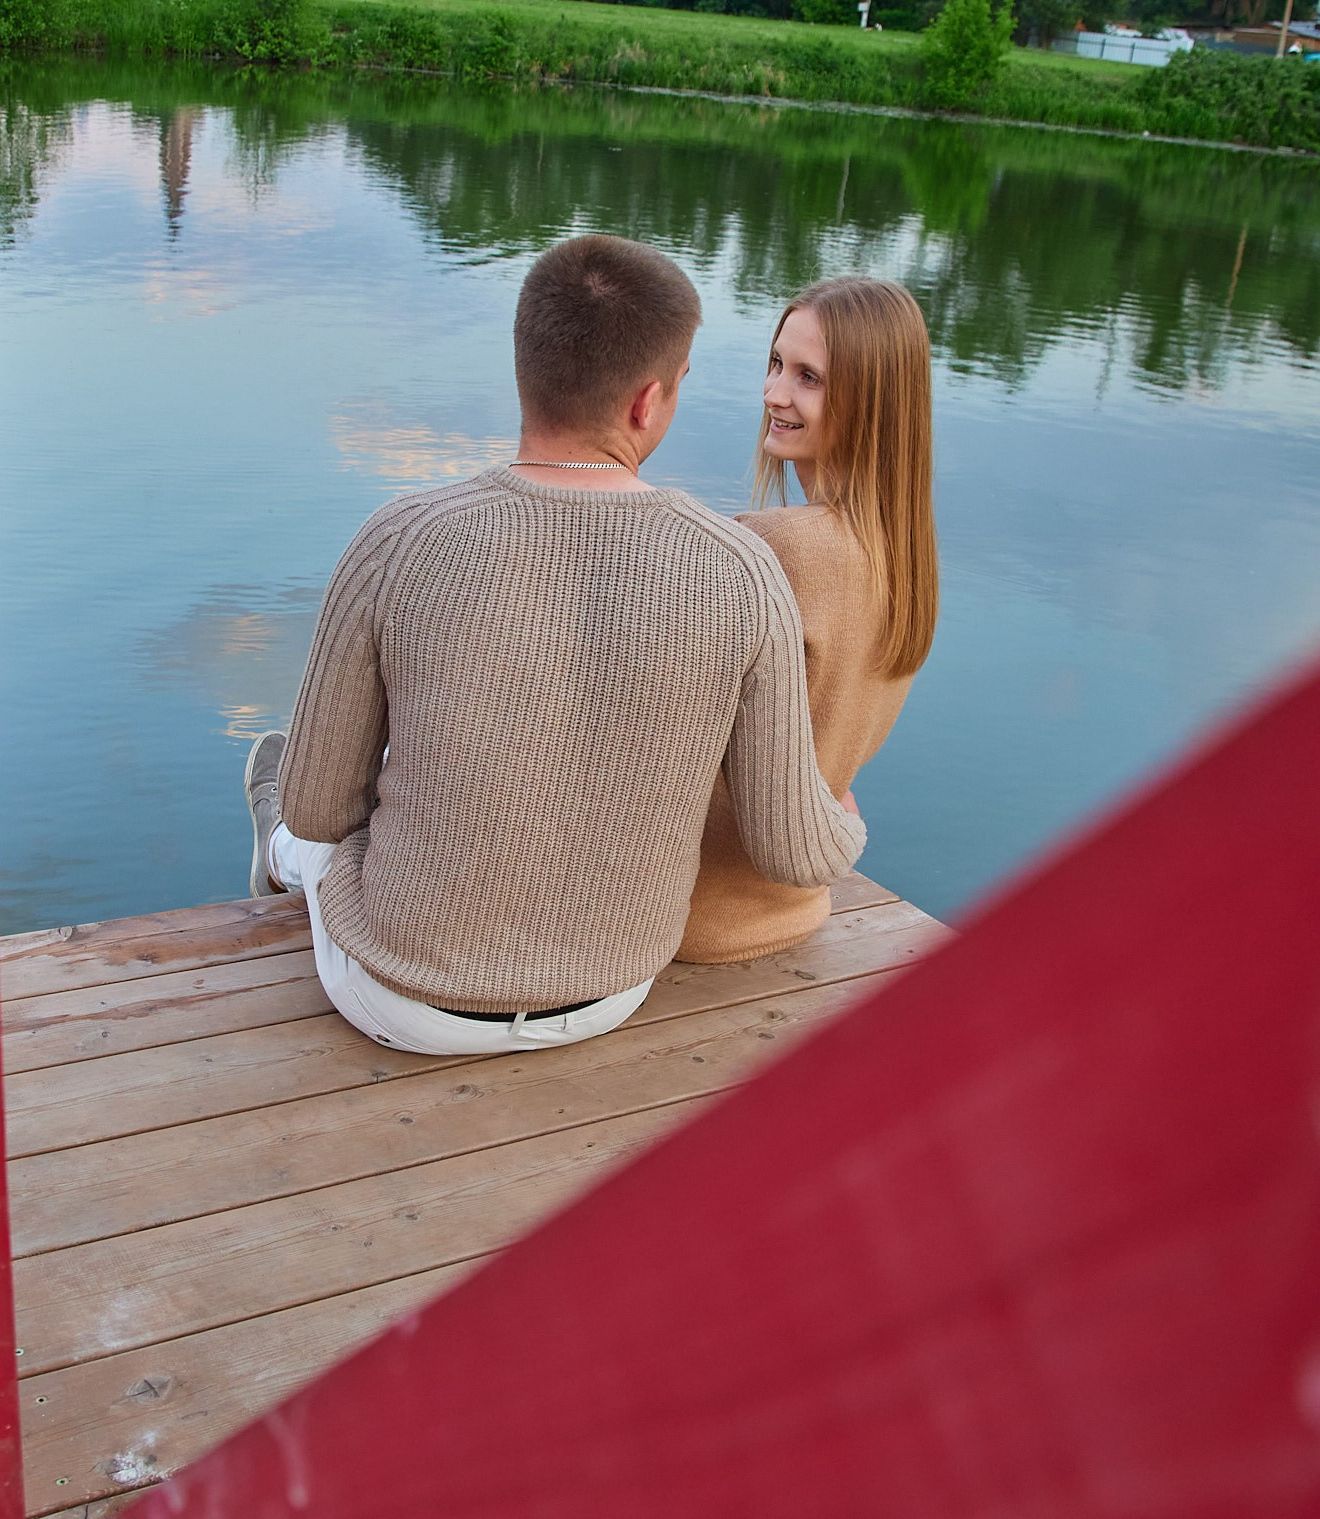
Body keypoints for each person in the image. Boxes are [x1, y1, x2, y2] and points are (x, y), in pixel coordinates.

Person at [241, 234, 864, 1056]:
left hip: (398, 998)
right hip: (610, 991)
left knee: (301, 813)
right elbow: (792, 847)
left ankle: (272, 849)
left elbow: (323, 808)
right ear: (650, 402)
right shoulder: (743, 571)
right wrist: (846, 823)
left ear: (524, 370)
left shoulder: (397, 537)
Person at [678, 277, 936, 964]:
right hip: (795, 905)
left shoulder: (776, 547)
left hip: (690, 912)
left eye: (808, 378)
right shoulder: (905, 559)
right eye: (774, 364)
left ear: (870, 400)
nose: (773, 394)